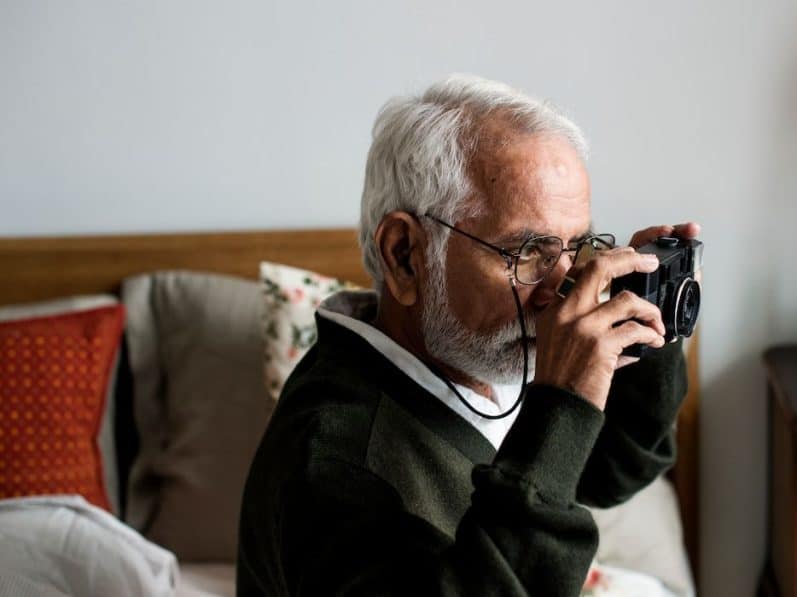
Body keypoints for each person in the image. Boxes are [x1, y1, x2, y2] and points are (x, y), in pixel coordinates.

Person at [237, 74, 699, 596]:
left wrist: (650, 319)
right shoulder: (335, 466)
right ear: (405, 256)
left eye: (577, 246)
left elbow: (608, 473)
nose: (561, 289)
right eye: (527, 252)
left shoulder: (466, 353)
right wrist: (561, 403)